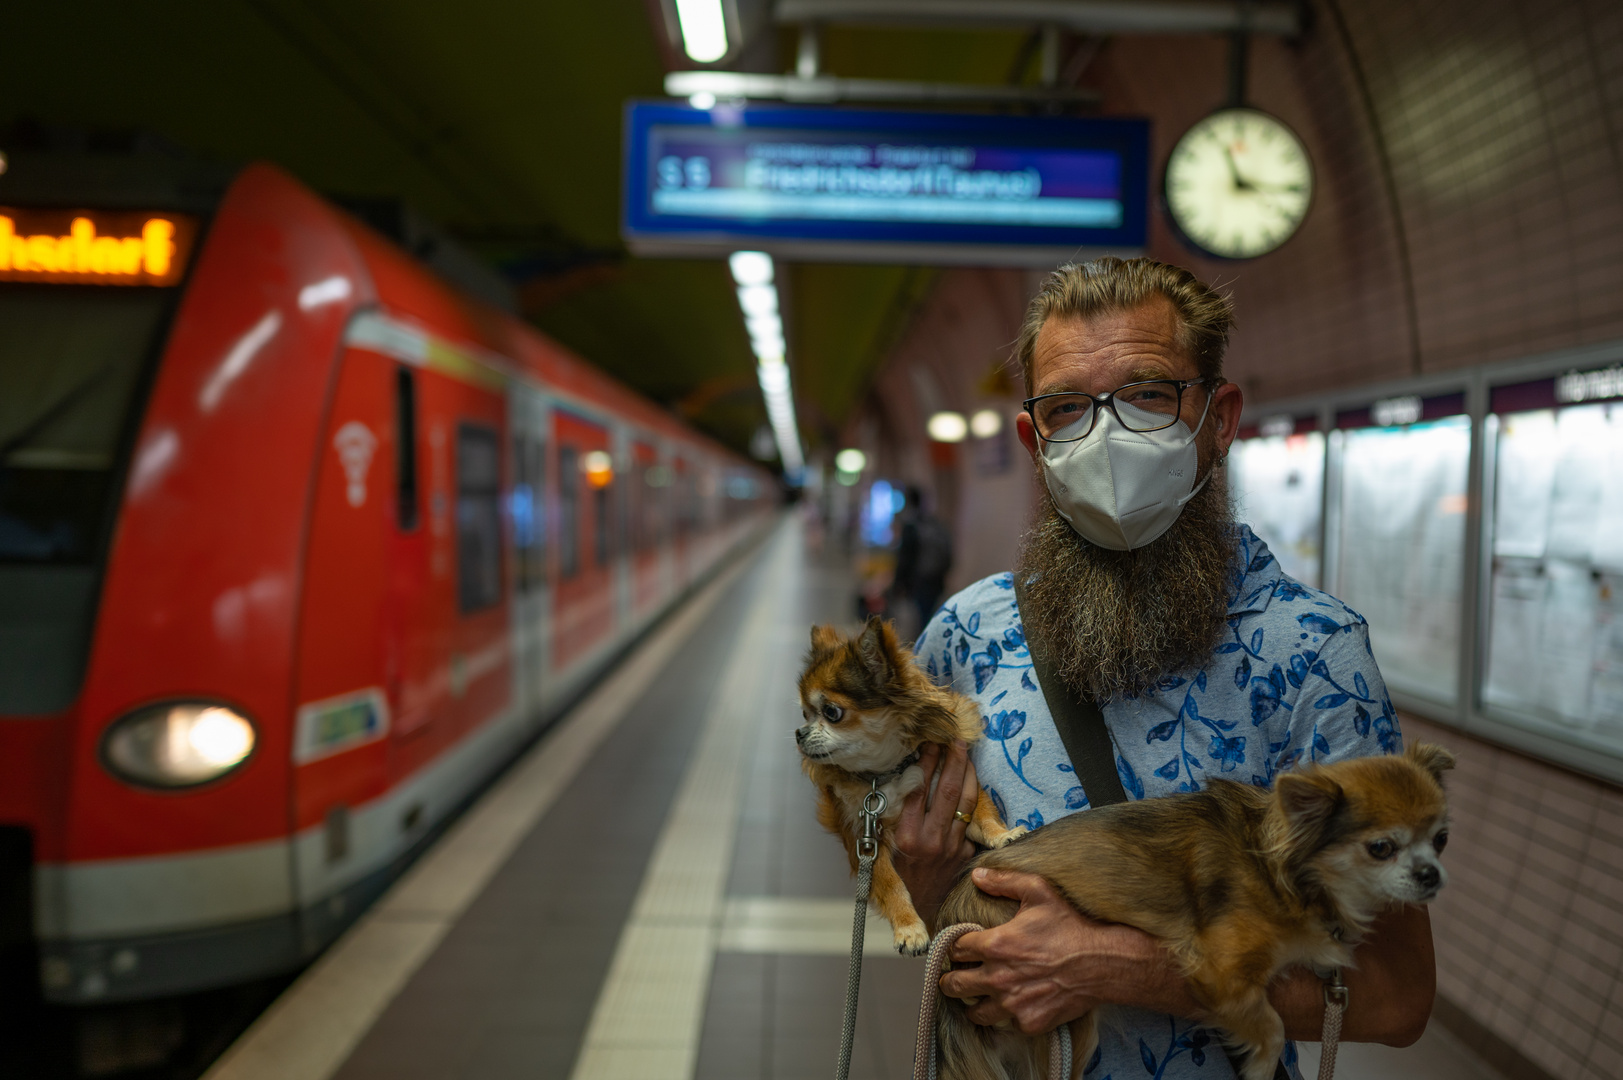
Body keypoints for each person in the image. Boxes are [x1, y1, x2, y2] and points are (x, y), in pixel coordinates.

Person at [891, 257, 1434, 1080]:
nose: (1105, 438)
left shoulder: (1310, 658)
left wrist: (1122, 968)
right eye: (1068, 408)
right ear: (1034, 442)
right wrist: (927, 884)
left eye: (1147, 395)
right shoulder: (966, 638)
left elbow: (1394, 997)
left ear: (1217, 420)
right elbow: (936, 925)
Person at [892, 485, 954, 637]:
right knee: (929, 613)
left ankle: (923, 648)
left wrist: (898, 582)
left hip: (919, 579)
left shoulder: (911, 526)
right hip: (935, 579)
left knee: (920, 617)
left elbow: (906, 557)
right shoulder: (934, 523)